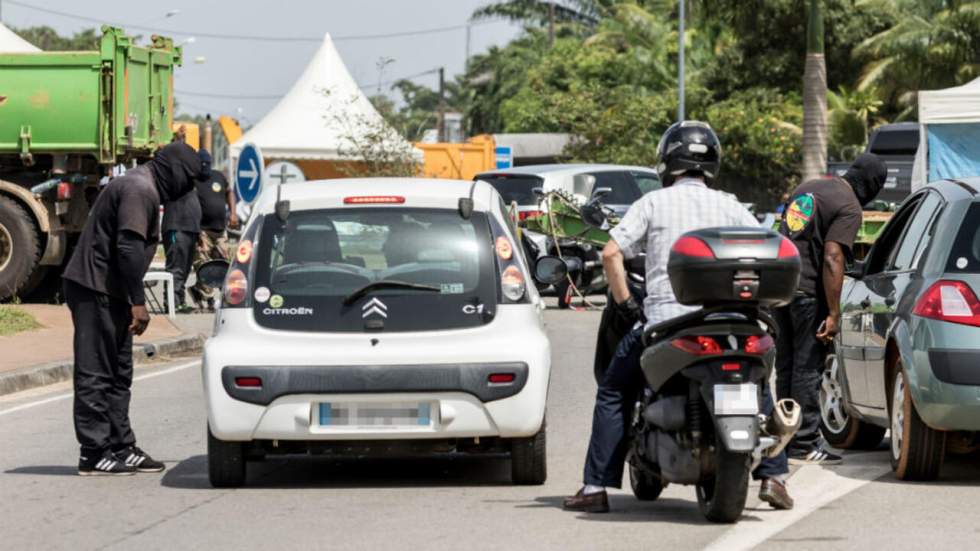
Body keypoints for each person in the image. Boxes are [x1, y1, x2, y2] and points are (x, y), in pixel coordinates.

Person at [563, 121, 793, 513]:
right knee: (757, 383)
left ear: (667, 162)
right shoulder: (731, 205)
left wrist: (627, 306)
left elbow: (611, 253)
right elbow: (769, 248)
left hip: (669, 326)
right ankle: (773, 476)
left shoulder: (653, 203)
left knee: (615, 391)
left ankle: (595, 487)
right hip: (737, 325)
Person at [62, 142, 208, 476]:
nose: (187, 188)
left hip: (113, 292)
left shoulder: (145, 187)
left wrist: (129, 299)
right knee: (96, 372)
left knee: (119, 372)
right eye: (187, 179)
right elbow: (128, 248)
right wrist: (139, 302)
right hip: (94, 288)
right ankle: (93, 452)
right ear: (172, 169)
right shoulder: (139, 189)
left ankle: (120, 445)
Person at [775, 153, 887, 465]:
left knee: (785, 366)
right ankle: (804, 442)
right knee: (807, 367)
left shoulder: (807, 188)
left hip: (780, 285)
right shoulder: (849, 207)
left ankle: (784, 436)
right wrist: (835, 313)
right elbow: (833, 257)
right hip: (808, 292)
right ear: (872, 186)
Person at [189, 149, 237, 311]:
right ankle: (209, 300)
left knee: (224, 265)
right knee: (204, 264)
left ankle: (198, 290)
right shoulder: (193, 179)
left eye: (207, 164)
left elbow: (230, 192)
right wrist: (196, 233)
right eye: (202, 164)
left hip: (220, 230)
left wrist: (233, 213)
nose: (204, 167)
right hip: (202, 230)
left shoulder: (218, 176)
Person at [161, 149, 208, 313]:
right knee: (176, 268)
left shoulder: (191, 185)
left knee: (185, 269)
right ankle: (172, 303)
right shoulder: (176, 181)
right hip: (177, 228)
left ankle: (179, 302)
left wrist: (199, 233)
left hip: (190, 230)